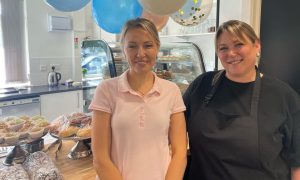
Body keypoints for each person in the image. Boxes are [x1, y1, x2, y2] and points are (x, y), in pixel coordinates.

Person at [183, 19, 300, 180]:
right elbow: (171, 125)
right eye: (223, 48)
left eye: (238, 45)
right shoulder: (202, 85)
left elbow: (297, 161)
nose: (231, 53)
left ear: (257, 46)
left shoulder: (283, 95)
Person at [89, 18, 187, 180]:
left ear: (157, 47)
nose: (140, 53)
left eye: (148, 45)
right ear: (124, 49)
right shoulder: (106, 90)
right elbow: (100, 159)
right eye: (132, 46)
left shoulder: (172, 91)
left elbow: (180, 152)